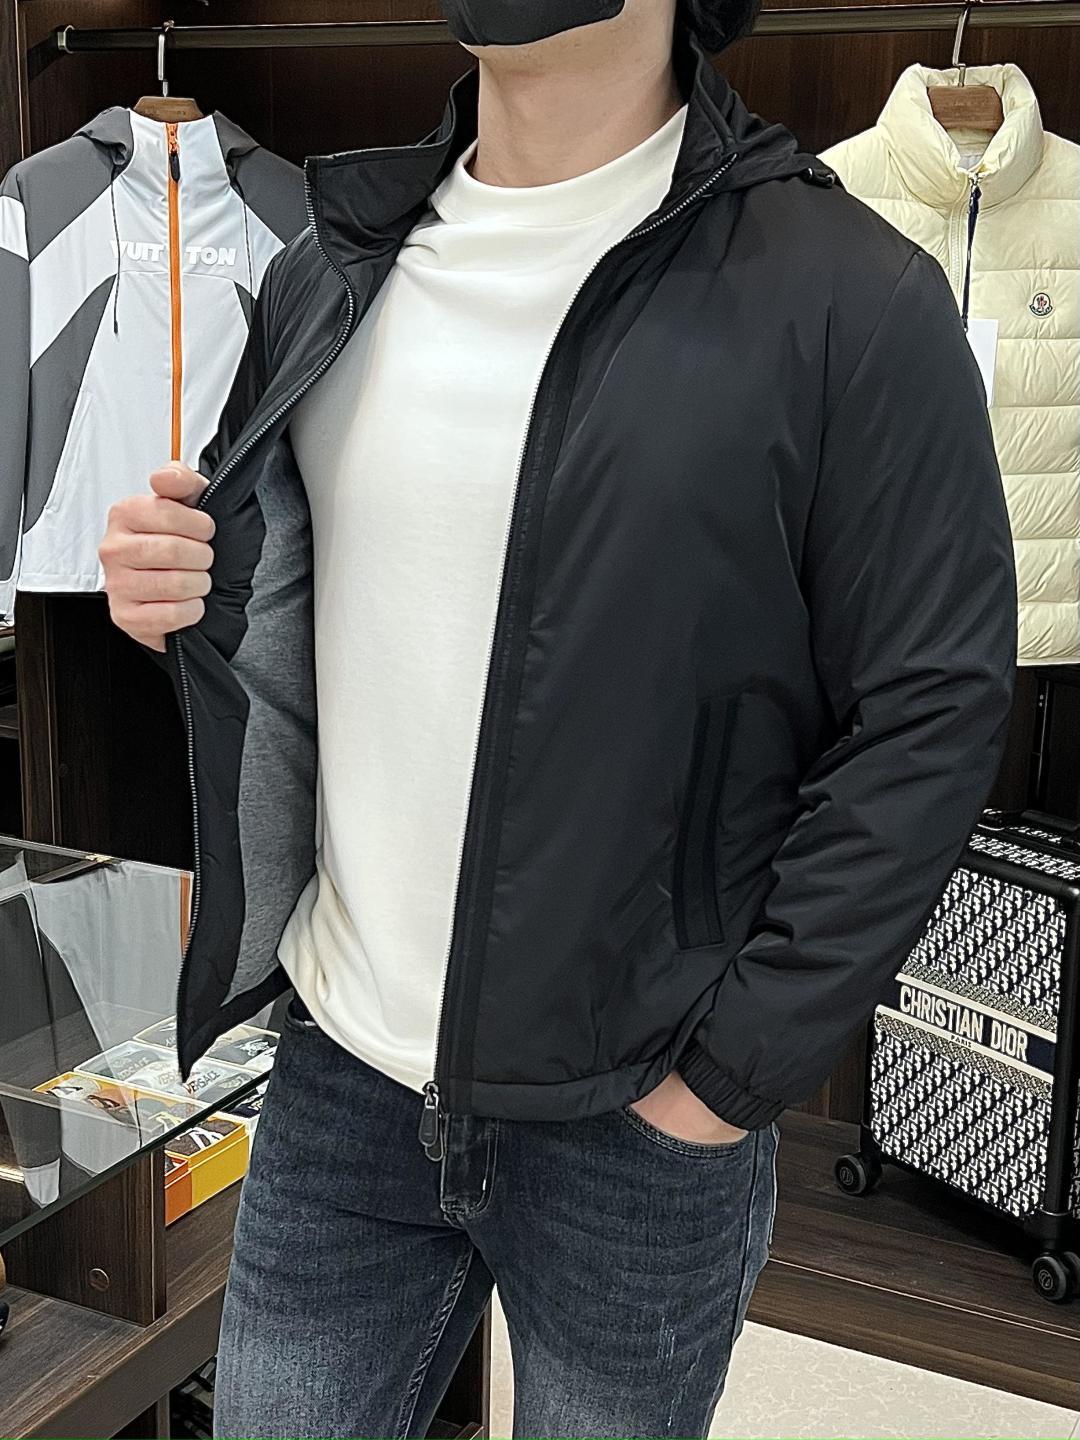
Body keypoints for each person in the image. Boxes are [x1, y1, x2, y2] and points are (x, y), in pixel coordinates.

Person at [99, 1, 1017, 1435]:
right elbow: (295, 595)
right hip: (341, 1075)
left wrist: (726, 1077)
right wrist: (180, 589)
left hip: (634, 1110)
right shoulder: (332, 264)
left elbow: (934, 713)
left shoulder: (846, 297)